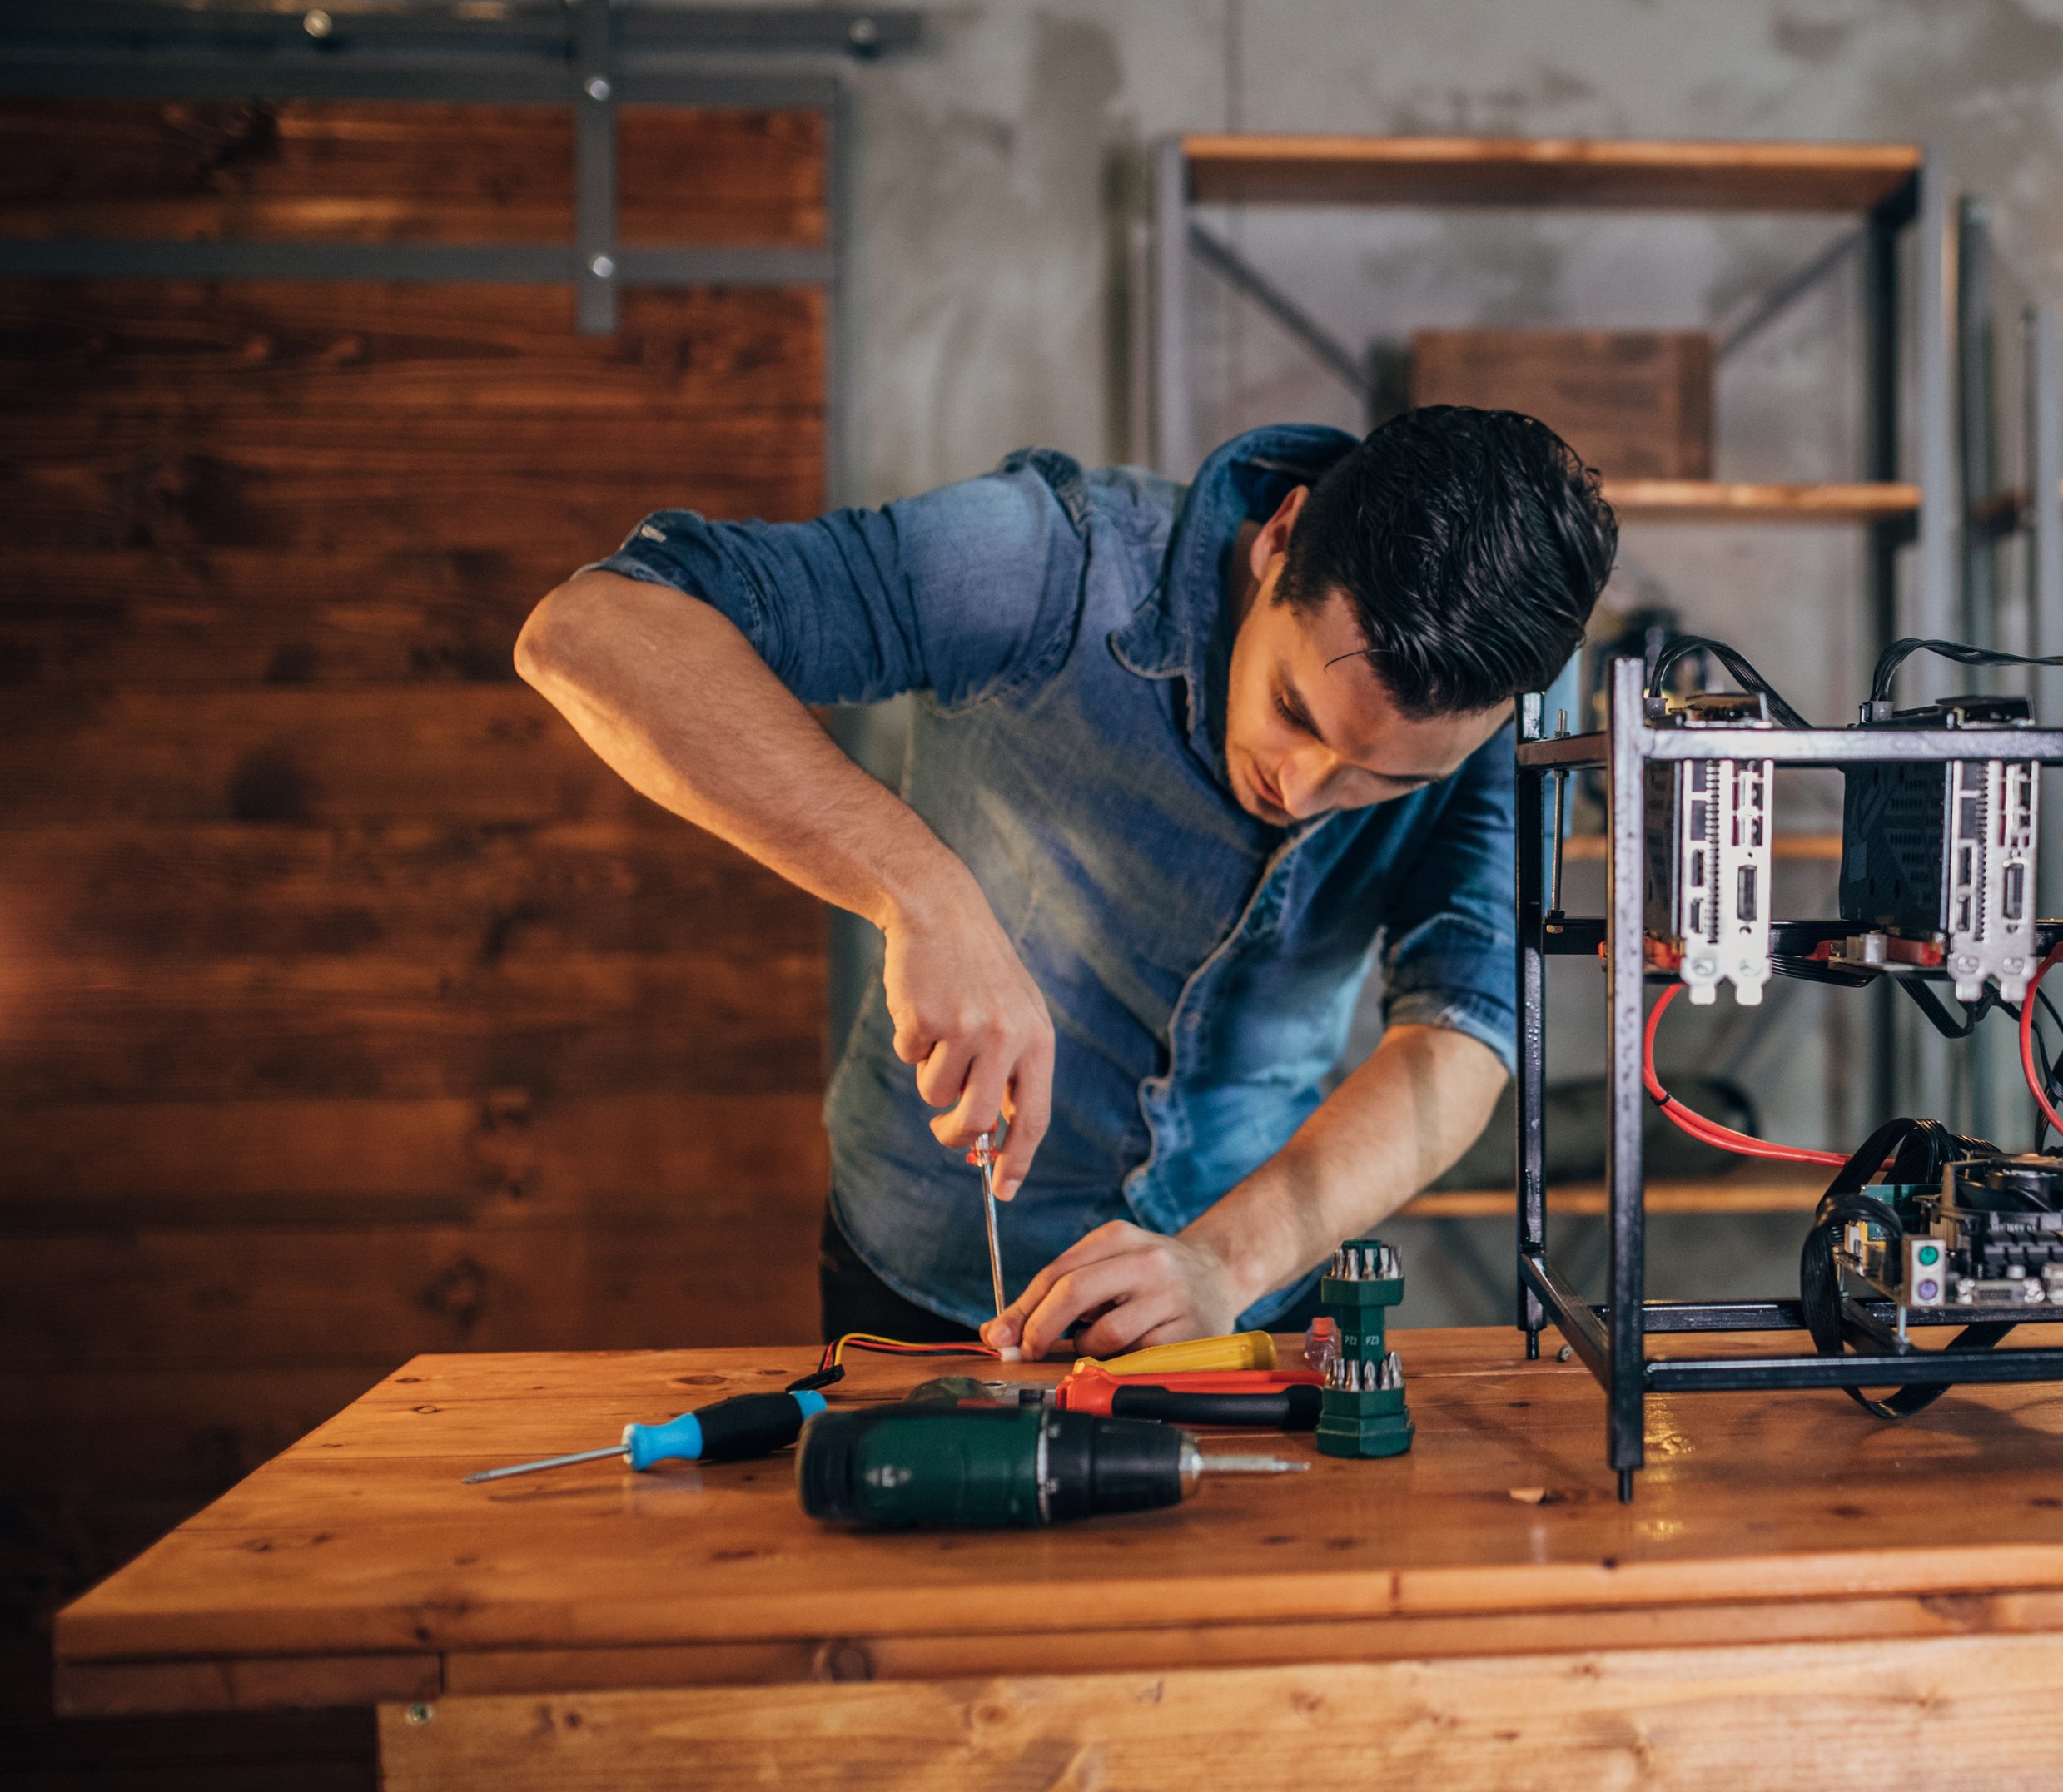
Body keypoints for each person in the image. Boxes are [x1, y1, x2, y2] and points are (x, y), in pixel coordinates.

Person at [515, 407, 1613, 1358]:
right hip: (929, 1266)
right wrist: (920, 891)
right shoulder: (1045, 560)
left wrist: (1225, 1264)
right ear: (1280, 539)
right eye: (1293, 710)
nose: (1310, 786)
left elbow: (1465, 1031)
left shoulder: (1512, 695)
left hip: (1239, 1283)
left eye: (1385, 776)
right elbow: (595, 627)